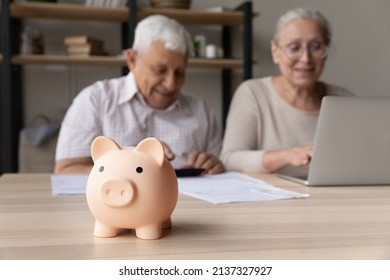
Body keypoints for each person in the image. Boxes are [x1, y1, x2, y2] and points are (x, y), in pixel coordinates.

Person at [55, 15, 225, 174]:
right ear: (132, 60)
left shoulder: (201, 111)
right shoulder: (95, 100)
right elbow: (66, 170)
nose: (171, 83)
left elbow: (220, 169)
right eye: (160, 70)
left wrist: (213, 165)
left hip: (188, 205)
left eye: (180, 73)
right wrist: (132, 164)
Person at [220, 8, 353, 176]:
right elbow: (230, 160)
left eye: (316, 47)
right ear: (275, 52)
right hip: (272, 200)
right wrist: (286, 155)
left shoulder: (344, 100)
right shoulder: (253, 93)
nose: (305, 58)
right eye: (294, 47)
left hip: (335, 199)